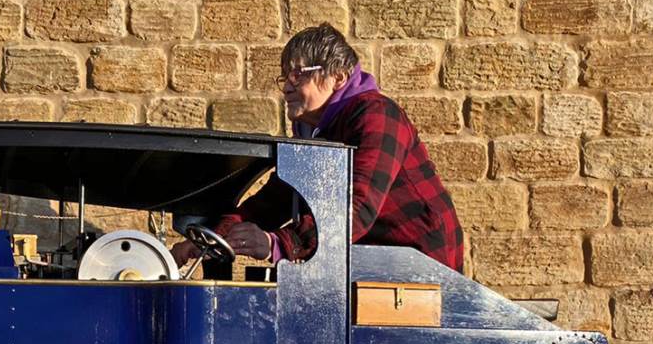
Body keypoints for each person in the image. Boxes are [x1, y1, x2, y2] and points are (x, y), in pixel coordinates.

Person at [171, 23, 463, 271]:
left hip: (422, 268)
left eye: (299, 74)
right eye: (285, 76)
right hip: (370, 264)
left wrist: (279, 243)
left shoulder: (377, 115)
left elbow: (357, 208)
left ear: (338, 77)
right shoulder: (313, 133)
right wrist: (207, 240)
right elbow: (274, 201)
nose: (287, 86)